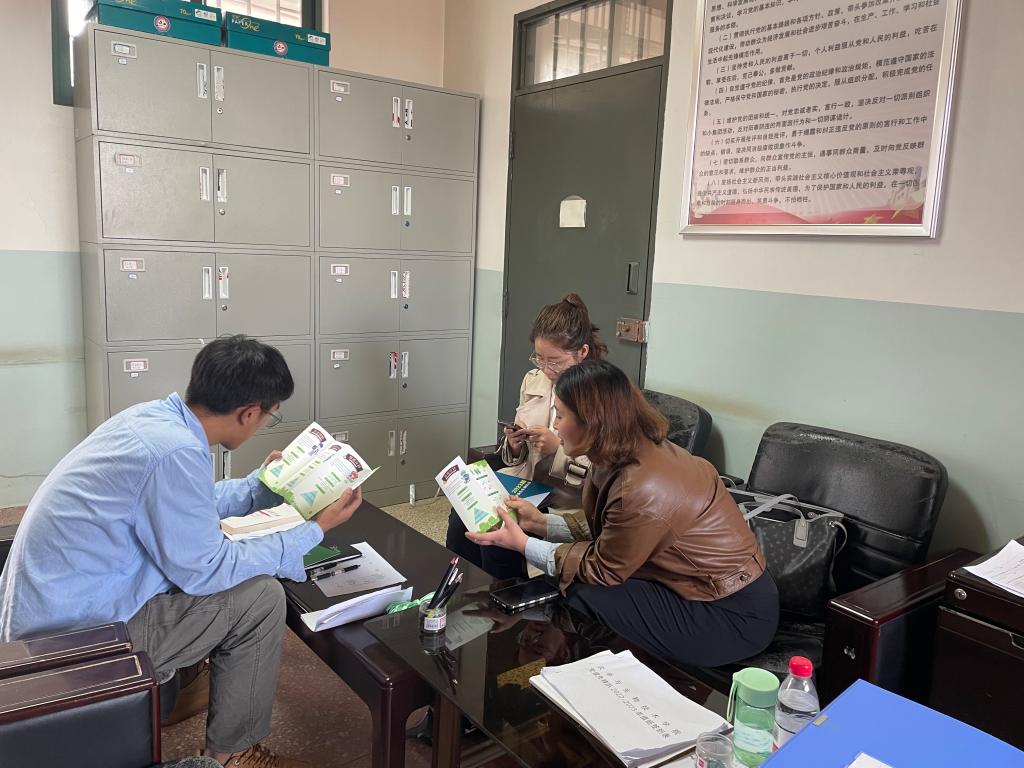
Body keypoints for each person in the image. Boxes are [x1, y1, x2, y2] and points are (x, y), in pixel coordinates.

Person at [0, 336, 360, 768]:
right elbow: (206, 569)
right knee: (261, 598)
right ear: (250, 413)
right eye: (270, 414)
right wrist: (312, 531)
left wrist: (259, 487)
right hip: (72, 642)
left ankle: (178, 692)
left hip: (47, 616)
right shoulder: (174, 451)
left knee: (219, 567)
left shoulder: (154, 421)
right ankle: (233, 754)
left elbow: (184, 505)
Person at [466, 360, 780, 668]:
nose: (555, 426)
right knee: (563, 572)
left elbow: (603, 569)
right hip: (693, 586)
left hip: (730, 613)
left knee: (580, 585)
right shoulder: (625, 451)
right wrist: (541, 523)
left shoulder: (643, 486)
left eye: (560, 415)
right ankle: (526, 616)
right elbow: (612, 528)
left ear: (592, 421)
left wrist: (523, 544)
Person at [445, 293, 606, 579]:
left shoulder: (602, 395)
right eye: (539, 358)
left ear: (582, 352)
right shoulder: (534, 381)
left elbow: (605, 473)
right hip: (527, 483)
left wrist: (557, 451)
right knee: (462, 519)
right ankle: (462, 588)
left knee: (498, 534)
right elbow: (514, 457)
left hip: (568, 500)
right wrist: (514, 444)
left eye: (555, 361)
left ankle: (506, 596)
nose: (546, 368)